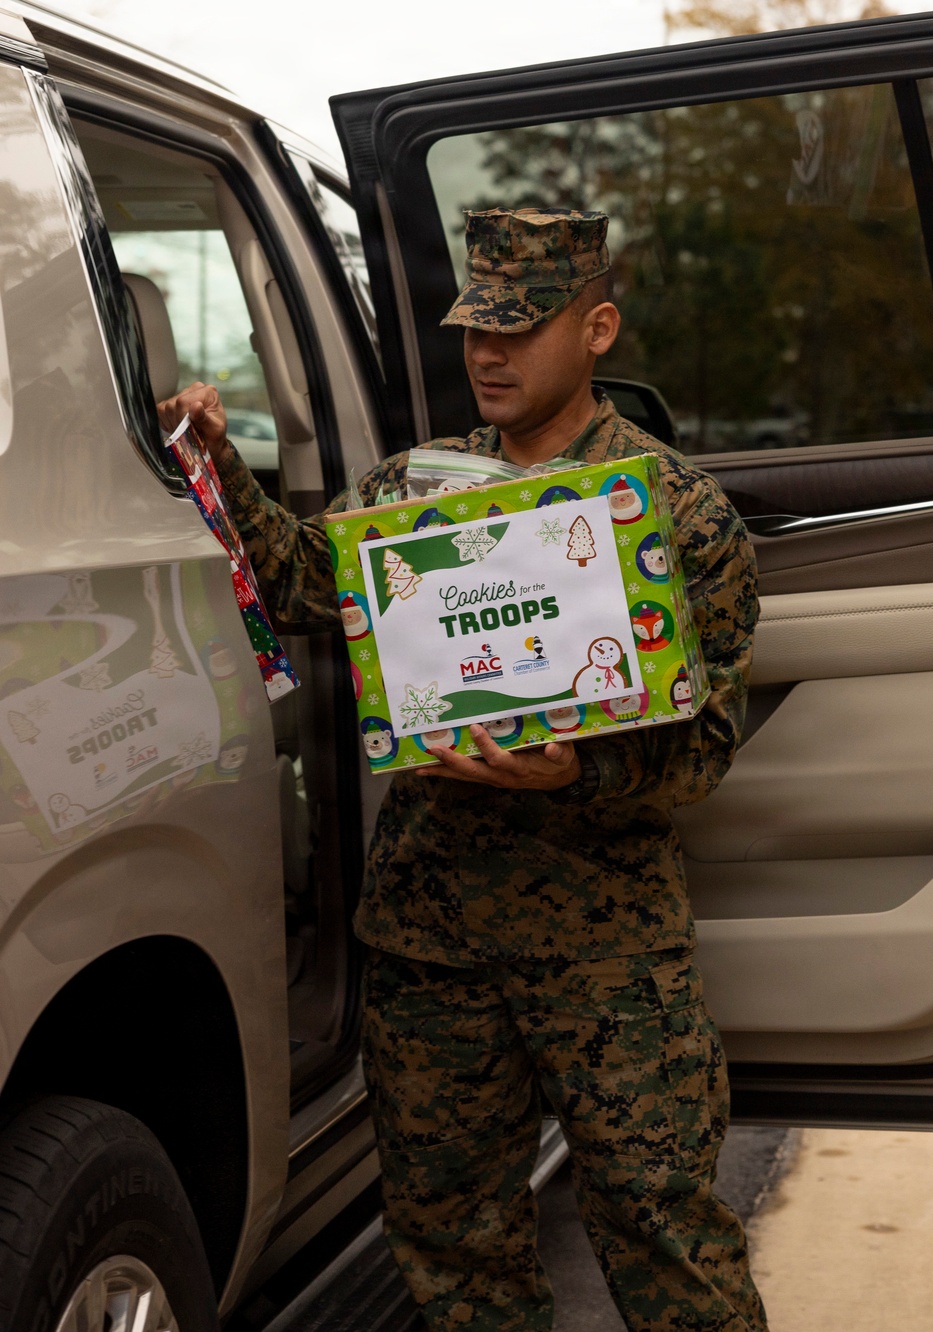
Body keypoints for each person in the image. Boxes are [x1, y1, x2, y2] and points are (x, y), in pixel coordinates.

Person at [159, 207, 766, 1332]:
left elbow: (709, 738)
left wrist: (575, 778)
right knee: (452, 1246)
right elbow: (305, 590)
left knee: (664, 1232)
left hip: (605, 944)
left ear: (596, 329)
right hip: (428, 940)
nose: (487, 352)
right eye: (474, 328)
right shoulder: (412, 490)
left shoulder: (671, 508)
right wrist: (216, 461)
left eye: (520, 327)